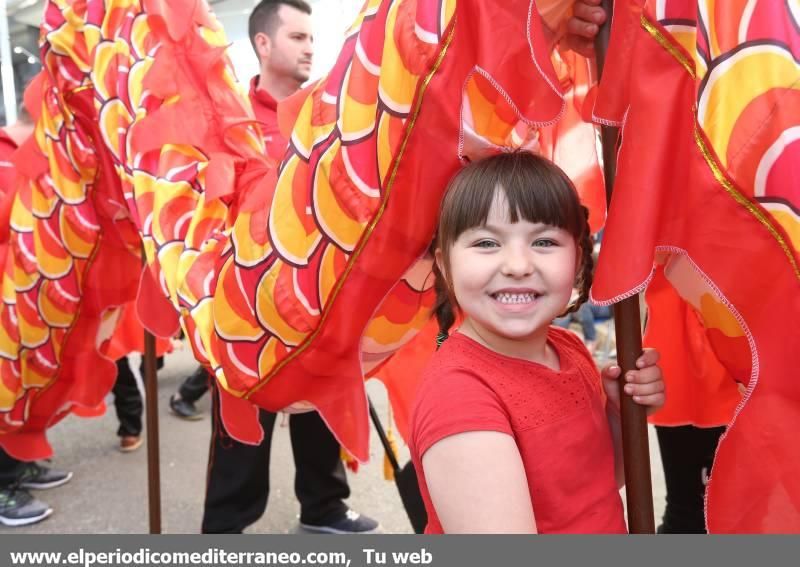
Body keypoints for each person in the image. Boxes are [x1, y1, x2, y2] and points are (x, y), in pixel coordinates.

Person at [409, 152, 666, 533]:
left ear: (578, 260)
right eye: (486, 243)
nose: (517, 264)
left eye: (544, 241)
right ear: (445, 265)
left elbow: (593, 487)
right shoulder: (460, 396)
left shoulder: (569, 350)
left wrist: (618, 414)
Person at [197, 0, 378, 534]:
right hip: (243, 304)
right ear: (263, 43)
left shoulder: (326, 114)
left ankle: (324, 505)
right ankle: (225, 524)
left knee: (321, 404)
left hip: (317, 295)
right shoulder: (228, 118)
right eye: (297, 37)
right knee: (241, 422)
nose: (310, 47)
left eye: (311, 37)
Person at [0, 110, 72, 527]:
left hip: (32, 297)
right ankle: (4, 486)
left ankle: (18, 463)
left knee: (25, 384)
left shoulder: (52, 151)